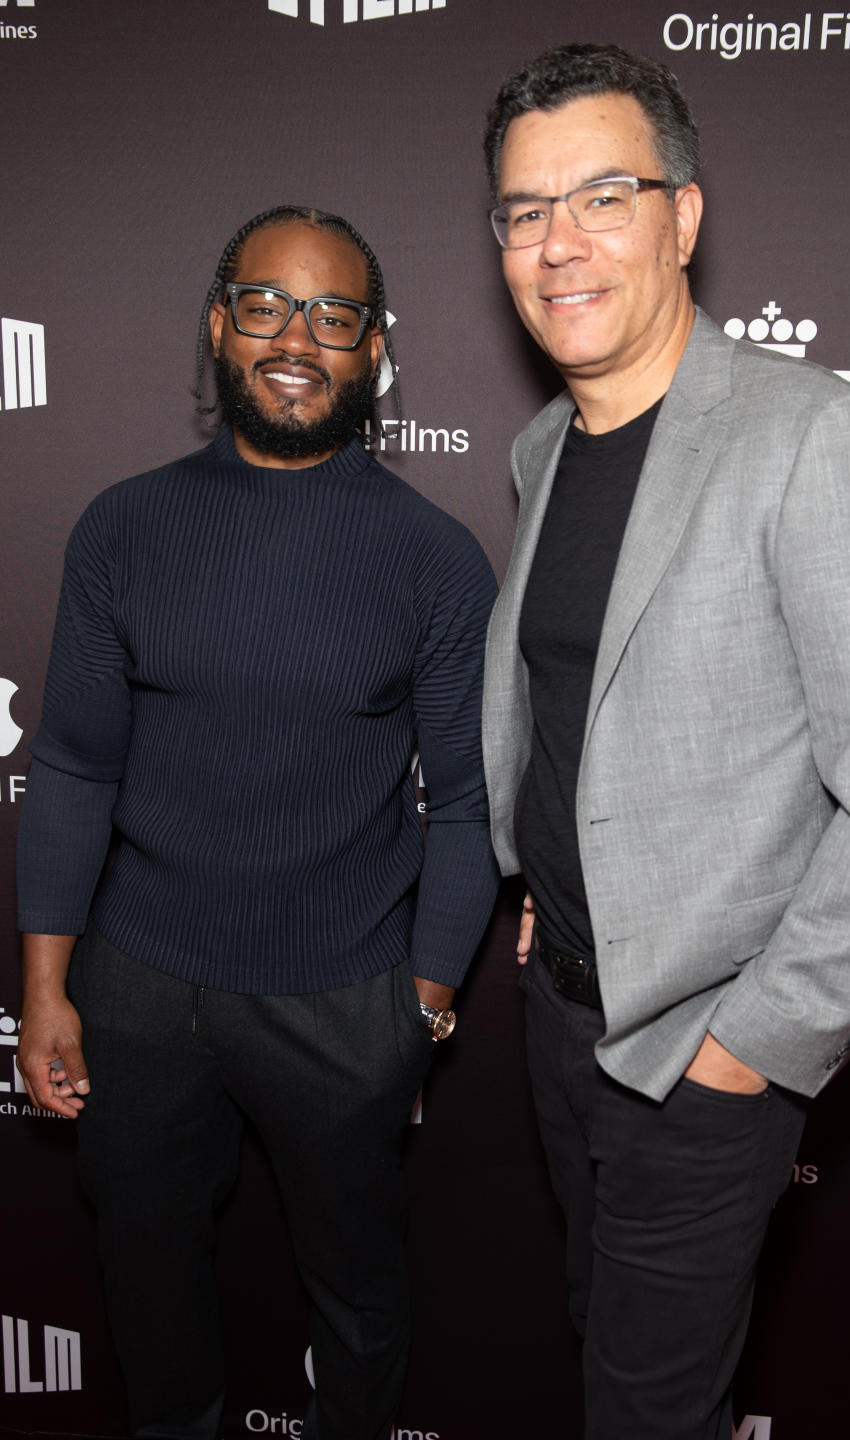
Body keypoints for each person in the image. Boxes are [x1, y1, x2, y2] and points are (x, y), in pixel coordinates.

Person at [480, 43, 850, 1440]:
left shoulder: (819, 437)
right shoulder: (543, 450)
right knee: (601, 1339)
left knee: (647, 1408)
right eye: (523, 209)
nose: (557, 242)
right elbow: (585, 697)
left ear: (683, 217)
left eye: (602, 196)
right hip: (564, 1018)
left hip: (705, 1052)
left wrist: (759, 1040)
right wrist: (532, 870)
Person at [16, 205, 499, 1440]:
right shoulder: (123, 526)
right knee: (149, 1276)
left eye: (335, 316)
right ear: (217, 326)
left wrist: (424, 1009)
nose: (299, 337)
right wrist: (49, 988)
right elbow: (69, 766)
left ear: (373, 350)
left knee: (360, 1298)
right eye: (268, 305)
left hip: (346, 1000)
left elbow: (469, 804)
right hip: (137, 991)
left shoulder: (436, 561)